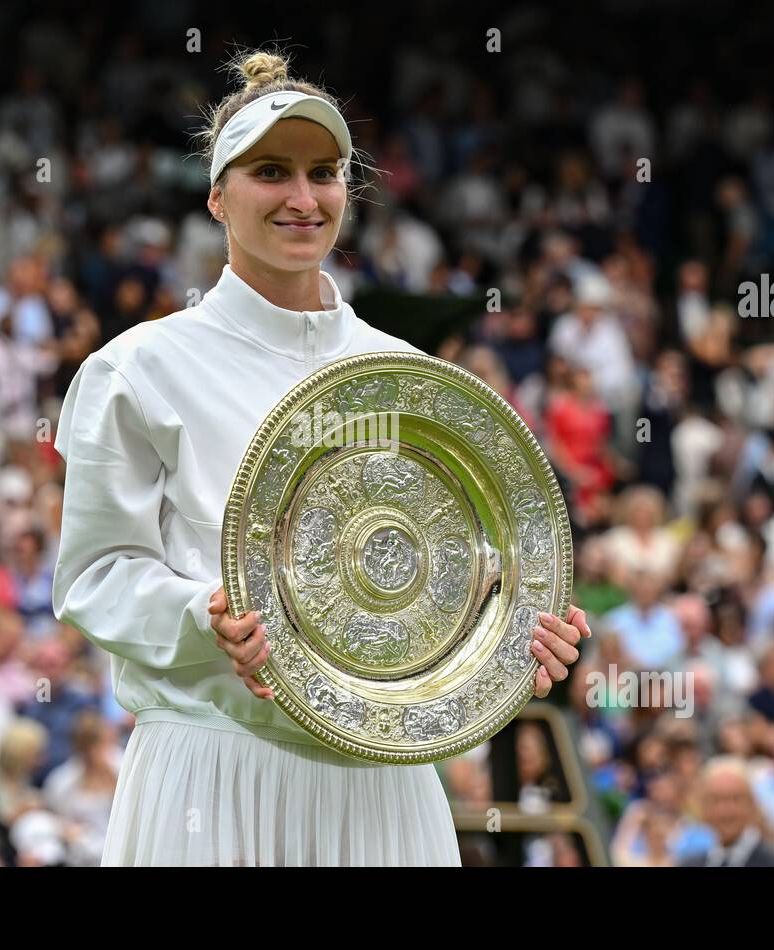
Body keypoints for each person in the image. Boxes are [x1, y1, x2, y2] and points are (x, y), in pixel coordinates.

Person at [52, 50, 590, 866]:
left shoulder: (411, 376)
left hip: (389, 791)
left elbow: (448, 583)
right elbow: (93, 578)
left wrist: (520, 633)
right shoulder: (138, 368)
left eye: (324, 173)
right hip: (213, 772)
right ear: (216, 197)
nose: (304, 198)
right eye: (272, 172)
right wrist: (205, 618)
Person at [679, 756, 774, 866]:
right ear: (704, 808)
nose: (726, 811)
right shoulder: (691, 864)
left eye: (735, 799)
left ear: (751, 805)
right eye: (717, 800)